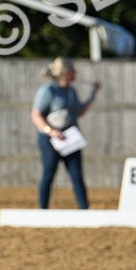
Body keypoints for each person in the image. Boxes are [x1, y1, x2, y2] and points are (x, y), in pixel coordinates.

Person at [30, 57, 100, 209]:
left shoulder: (71, 91)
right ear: (65, 73)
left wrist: (92, 95)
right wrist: (51, 131)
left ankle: (84, 210)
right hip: (50, 139)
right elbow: (36, 115)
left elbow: (79, 112)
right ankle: (43, 210)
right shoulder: (48, 90)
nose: (76, 73)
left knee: (77, 175)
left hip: (69, 138)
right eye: (73, 70)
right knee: (48, 174)